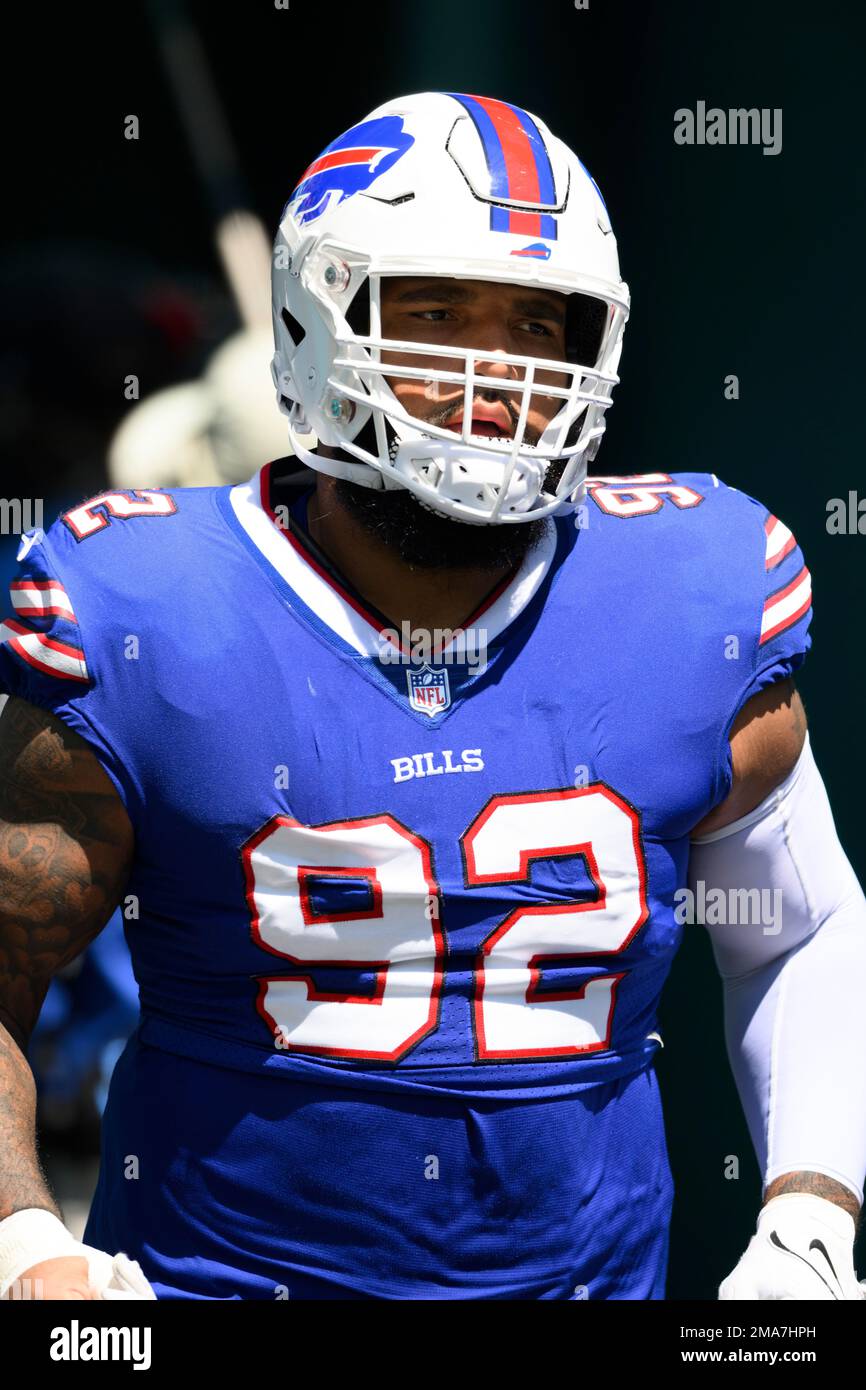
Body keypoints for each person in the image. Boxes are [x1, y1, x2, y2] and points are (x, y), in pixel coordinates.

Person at [1, 91, 865, 1302]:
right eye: (438, 313)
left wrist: (807, 1219)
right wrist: (25, 1241)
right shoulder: (152, 613)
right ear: (315, 317)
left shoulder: (689, 598)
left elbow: (806, 928)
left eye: (536, 325)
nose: (492, 373)